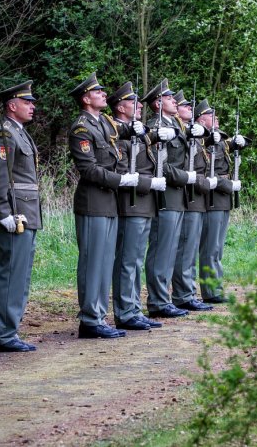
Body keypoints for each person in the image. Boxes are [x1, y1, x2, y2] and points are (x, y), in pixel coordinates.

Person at [67, 72, 140, 339]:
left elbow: (124, 129)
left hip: (108, 201)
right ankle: (89, 319)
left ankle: (97, 316)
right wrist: (122, 179)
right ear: (86, 99)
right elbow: (89, 170)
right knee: (92, 262)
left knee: (105, 262)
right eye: (98, 92)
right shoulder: (82, 127)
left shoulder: (104, 124)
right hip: (93, 201)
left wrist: (141, 130)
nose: (103, 95)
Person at [0, 80, 42, 352]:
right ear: (12, 105)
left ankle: (10, 331)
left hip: (26, 213)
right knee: (11, 276)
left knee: (20, 275)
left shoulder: (19, 133)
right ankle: (2, 336)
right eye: (27, 102)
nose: (32, 106)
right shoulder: (4, 134)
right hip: (14, 215)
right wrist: (3, 212)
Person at [108, 81, 165, 330]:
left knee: (136, 260)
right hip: (130, 202)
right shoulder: (118, 133)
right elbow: (121, 168)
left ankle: (133, 308)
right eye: (133, 102)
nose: (139, 106)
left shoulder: (136, 130)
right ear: (121, 107)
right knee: (127, 260)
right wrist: (149, 183)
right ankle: (125, 311)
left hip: (143, 201)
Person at [143, 79, 195, 318]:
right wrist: (186, 177)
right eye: (168, 97)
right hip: (166, 193)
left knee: (171, 249)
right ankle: (157, 301)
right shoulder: (155, 127)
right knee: (161, 250)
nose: (174, 100)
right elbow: (159, 164)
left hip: (178, 195)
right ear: (157, 103)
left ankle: (164, 298)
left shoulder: (175, 125)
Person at [194, 99, 247, 303]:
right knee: (210, 247)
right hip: (213, 197)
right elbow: (208, 172)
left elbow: (233, 145)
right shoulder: (203, 142)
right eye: (210, 115)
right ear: (201, 119)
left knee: (217, 247)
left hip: (223, 199)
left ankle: (215, 286)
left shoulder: (218, 140)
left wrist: (241, 142)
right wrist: (228, 185)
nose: (215, 118)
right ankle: (211, 290)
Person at [171, 90, 215, 312]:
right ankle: (183, 293)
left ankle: (187, 292)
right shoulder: (177, 132)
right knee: (184, 249)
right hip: (185, 194)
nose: (189, 108)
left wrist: (206, 135)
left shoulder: (192, 133)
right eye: (184, 105)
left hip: (193, 195)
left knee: (189, 249)